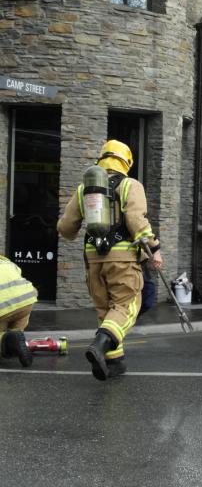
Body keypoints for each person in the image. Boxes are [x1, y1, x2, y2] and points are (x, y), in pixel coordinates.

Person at [57, 140, 162, 381]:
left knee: (106, 310)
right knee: (126, 306)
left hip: (93, 260)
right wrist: (154, 249)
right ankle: (100, 346)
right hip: (123, 258)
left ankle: (114, 362)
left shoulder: (86, 188)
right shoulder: (130, 185)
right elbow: (137, 221)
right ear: (127, 162)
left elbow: (65, 228)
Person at [0, 255, 36, 367]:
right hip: (26, 302)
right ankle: (15, 337)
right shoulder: (7, 262)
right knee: (14, 325)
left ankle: (7, 342)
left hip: (2, 307)